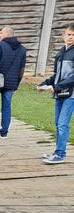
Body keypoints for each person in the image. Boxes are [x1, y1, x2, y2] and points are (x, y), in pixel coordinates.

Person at [39, 23, 74, 164]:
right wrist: (45, 83)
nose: (71, 37)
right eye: (69, 34)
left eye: (73, 35)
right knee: (57, 124)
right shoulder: (61, 52)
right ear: (63, 36)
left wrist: (57, 86)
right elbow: (56, 75)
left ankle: (60, 154)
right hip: (60, 93)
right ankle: (57, 151)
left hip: (71, 95)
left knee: (62, 124)